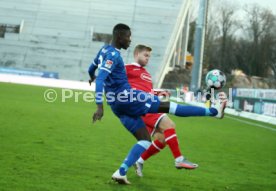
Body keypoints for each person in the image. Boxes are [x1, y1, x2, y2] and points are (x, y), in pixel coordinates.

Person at [88, 23, 227, 185]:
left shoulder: (103, 50)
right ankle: (213, 112)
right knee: (171, 108)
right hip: (130, 98)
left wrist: (91, 76)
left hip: (117, 106)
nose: (130, 40)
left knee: (145, 140)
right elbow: (101, 79)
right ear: (119, 37)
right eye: (128, 37)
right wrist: (99, 106)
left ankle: (121, 171)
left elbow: (92, 69)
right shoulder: (114, 56)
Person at [125, 44, 198, 178]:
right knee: (169, 125)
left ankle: (139, 161)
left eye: (149, 56)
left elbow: (148, 91)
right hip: (144, 107)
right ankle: (179, 159)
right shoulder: (127, 68)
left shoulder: (145, 74)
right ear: (136, 54)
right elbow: (114, 80)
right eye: (145, 55)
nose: (148, 58)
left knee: (162, 138)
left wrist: (159, 92)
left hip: (146, 106)